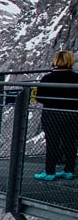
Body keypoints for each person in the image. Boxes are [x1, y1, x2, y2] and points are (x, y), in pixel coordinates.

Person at [35, 50, 78, 181]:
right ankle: (69, 170)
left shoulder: (47, 78)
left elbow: (39, 97)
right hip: (72, 115)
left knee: (52, 143)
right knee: (70, 142)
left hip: (51, 114)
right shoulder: (76, 78)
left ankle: (49, 172)